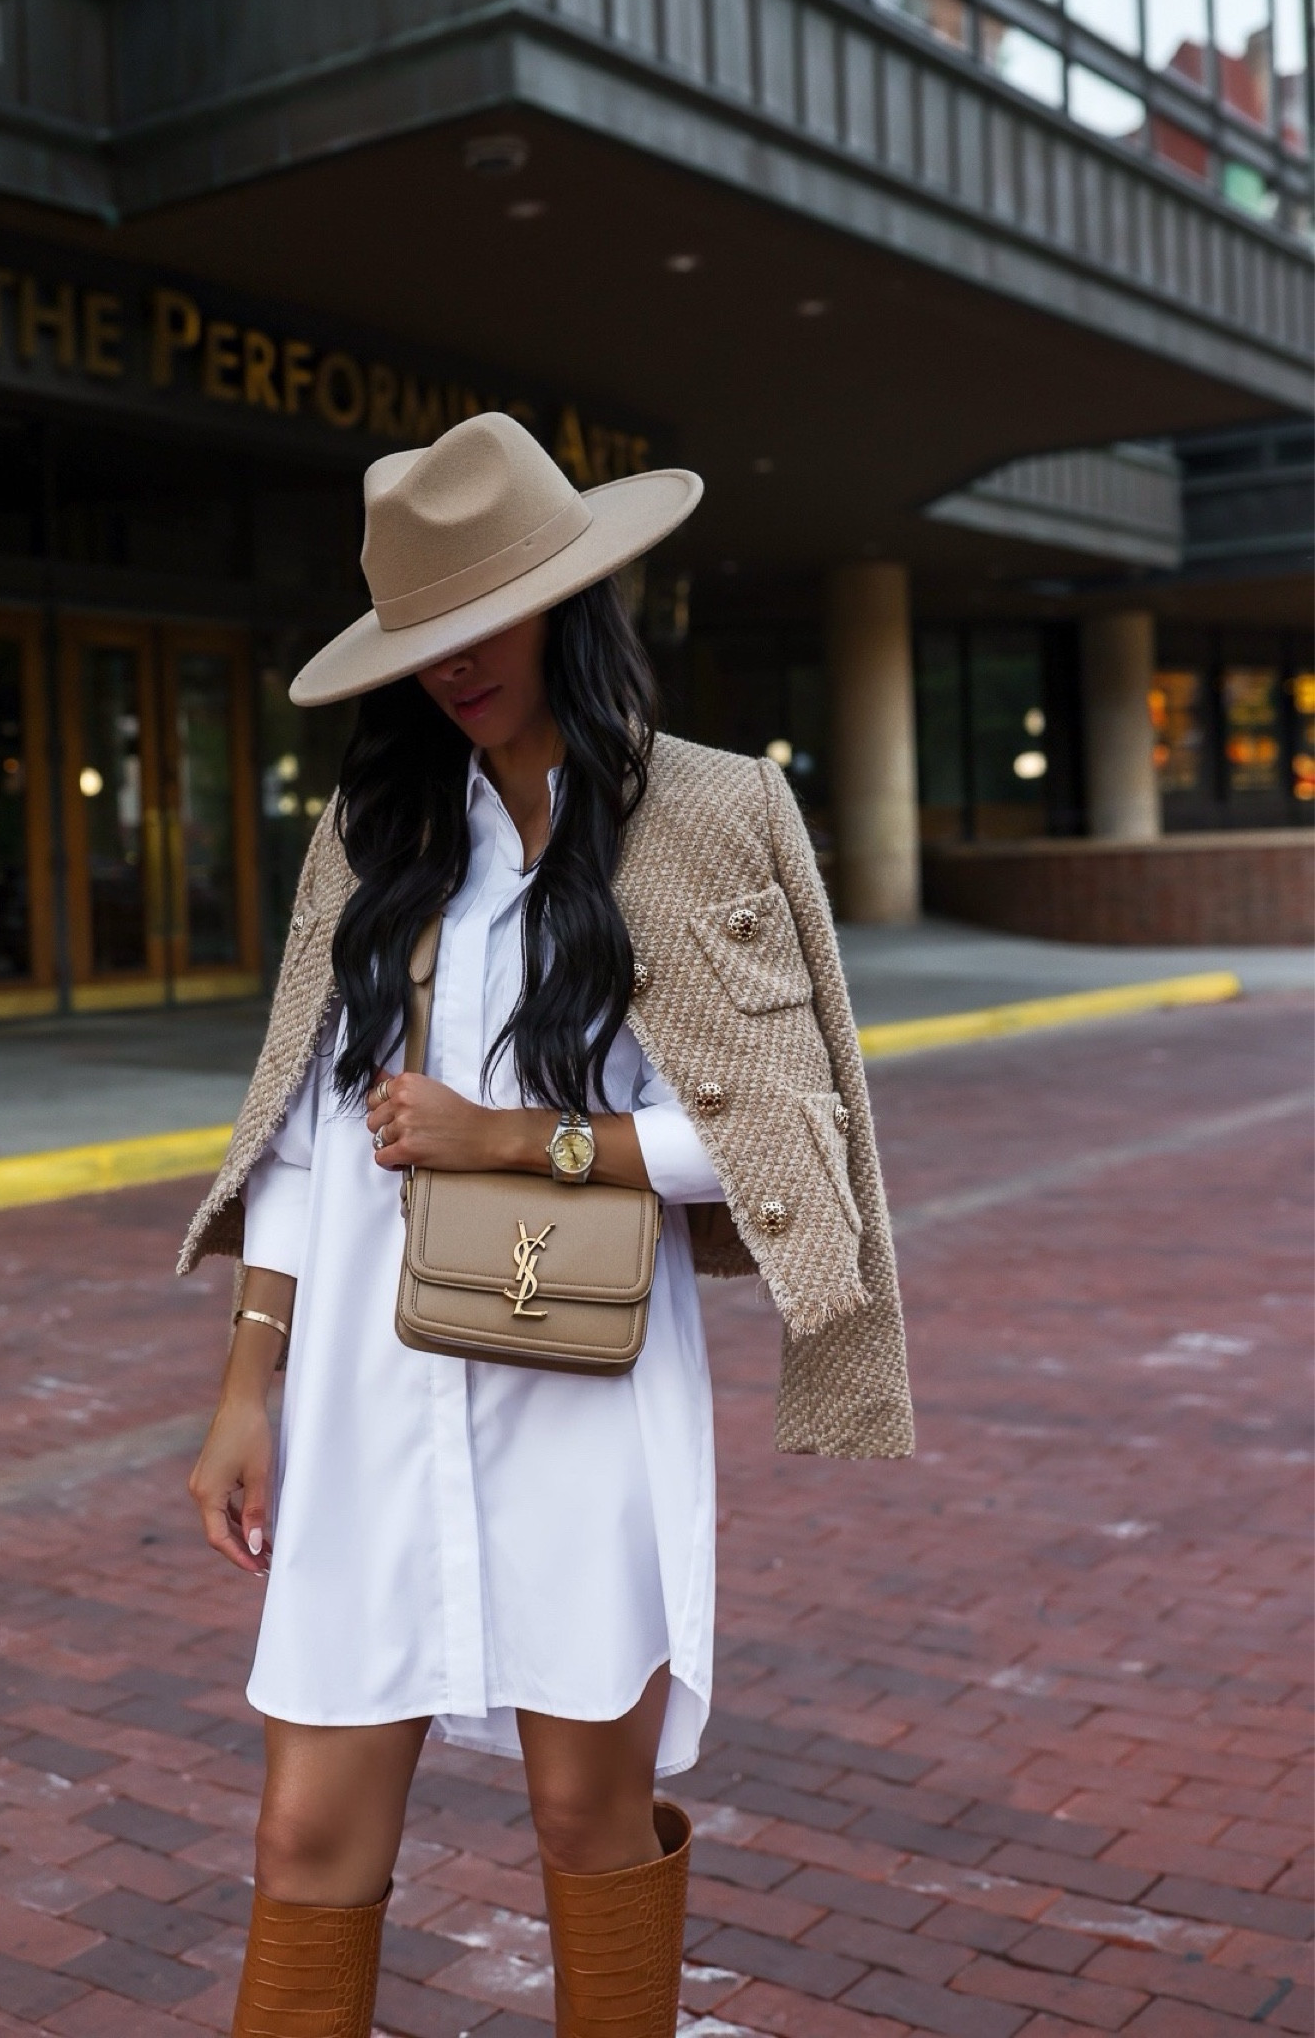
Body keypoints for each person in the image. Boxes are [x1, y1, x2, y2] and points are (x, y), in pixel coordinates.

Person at [181, 411, 912, 2037]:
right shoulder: (371, 835)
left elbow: (776, 1139)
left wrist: (518, 1139)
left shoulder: (709, 812)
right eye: (421, 639)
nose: (453, 666)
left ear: (568, 602)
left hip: (586, 1397)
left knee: (589, 1818)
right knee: (303, 1834)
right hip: (363, 1398)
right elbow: (299, 1136)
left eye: (486, 620)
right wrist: (246, 1385)